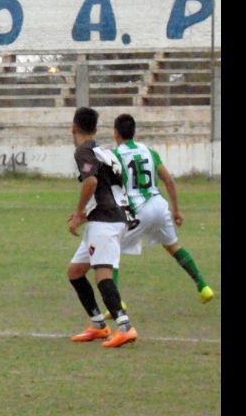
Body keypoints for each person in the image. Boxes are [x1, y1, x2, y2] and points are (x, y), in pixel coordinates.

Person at [112, 113, 214, 303]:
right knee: (173, 247)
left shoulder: (116, 156)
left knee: (111, 249)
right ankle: (203, 286)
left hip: (139, 209)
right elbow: (169, 181)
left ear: (116, 133)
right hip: (159, 206)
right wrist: (176, 210)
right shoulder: (150, 152)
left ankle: (115, 303)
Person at [66, 107, 138, 348]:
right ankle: (98, 325)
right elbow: (110, 188)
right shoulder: (105, 152)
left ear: (74, 127)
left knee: (102, 275)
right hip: (112, 217)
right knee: (75, 271)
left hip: (105, 222)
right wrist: (88, 212)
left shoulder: (83, 151)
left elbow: (92, 182)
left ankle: (125, 326)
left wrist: (78, 214)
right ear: (95, 129)